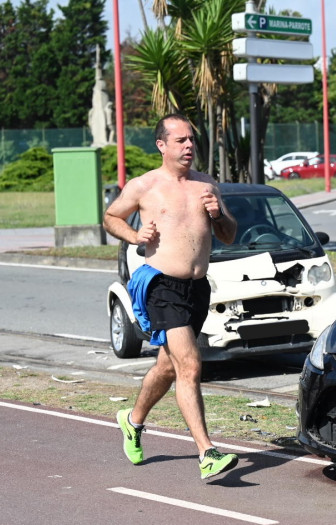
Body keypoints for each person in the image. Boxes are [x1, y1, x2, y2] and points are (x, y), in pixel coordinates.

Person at [103, 113, 240, 481]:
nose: (189, 146)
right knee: (190, 366)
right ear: (162, 145)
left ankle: (132, 421)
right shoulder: (145, 186)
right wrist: (135, 237)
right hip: (161, 286)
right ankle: (207, 453)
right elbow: (111, 217)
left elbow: (228, 234)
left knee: (168, 366)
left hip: (197, 287)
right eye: (180, 140)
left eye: (191, 140)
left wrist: (217, 216)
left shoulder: (206, 185)